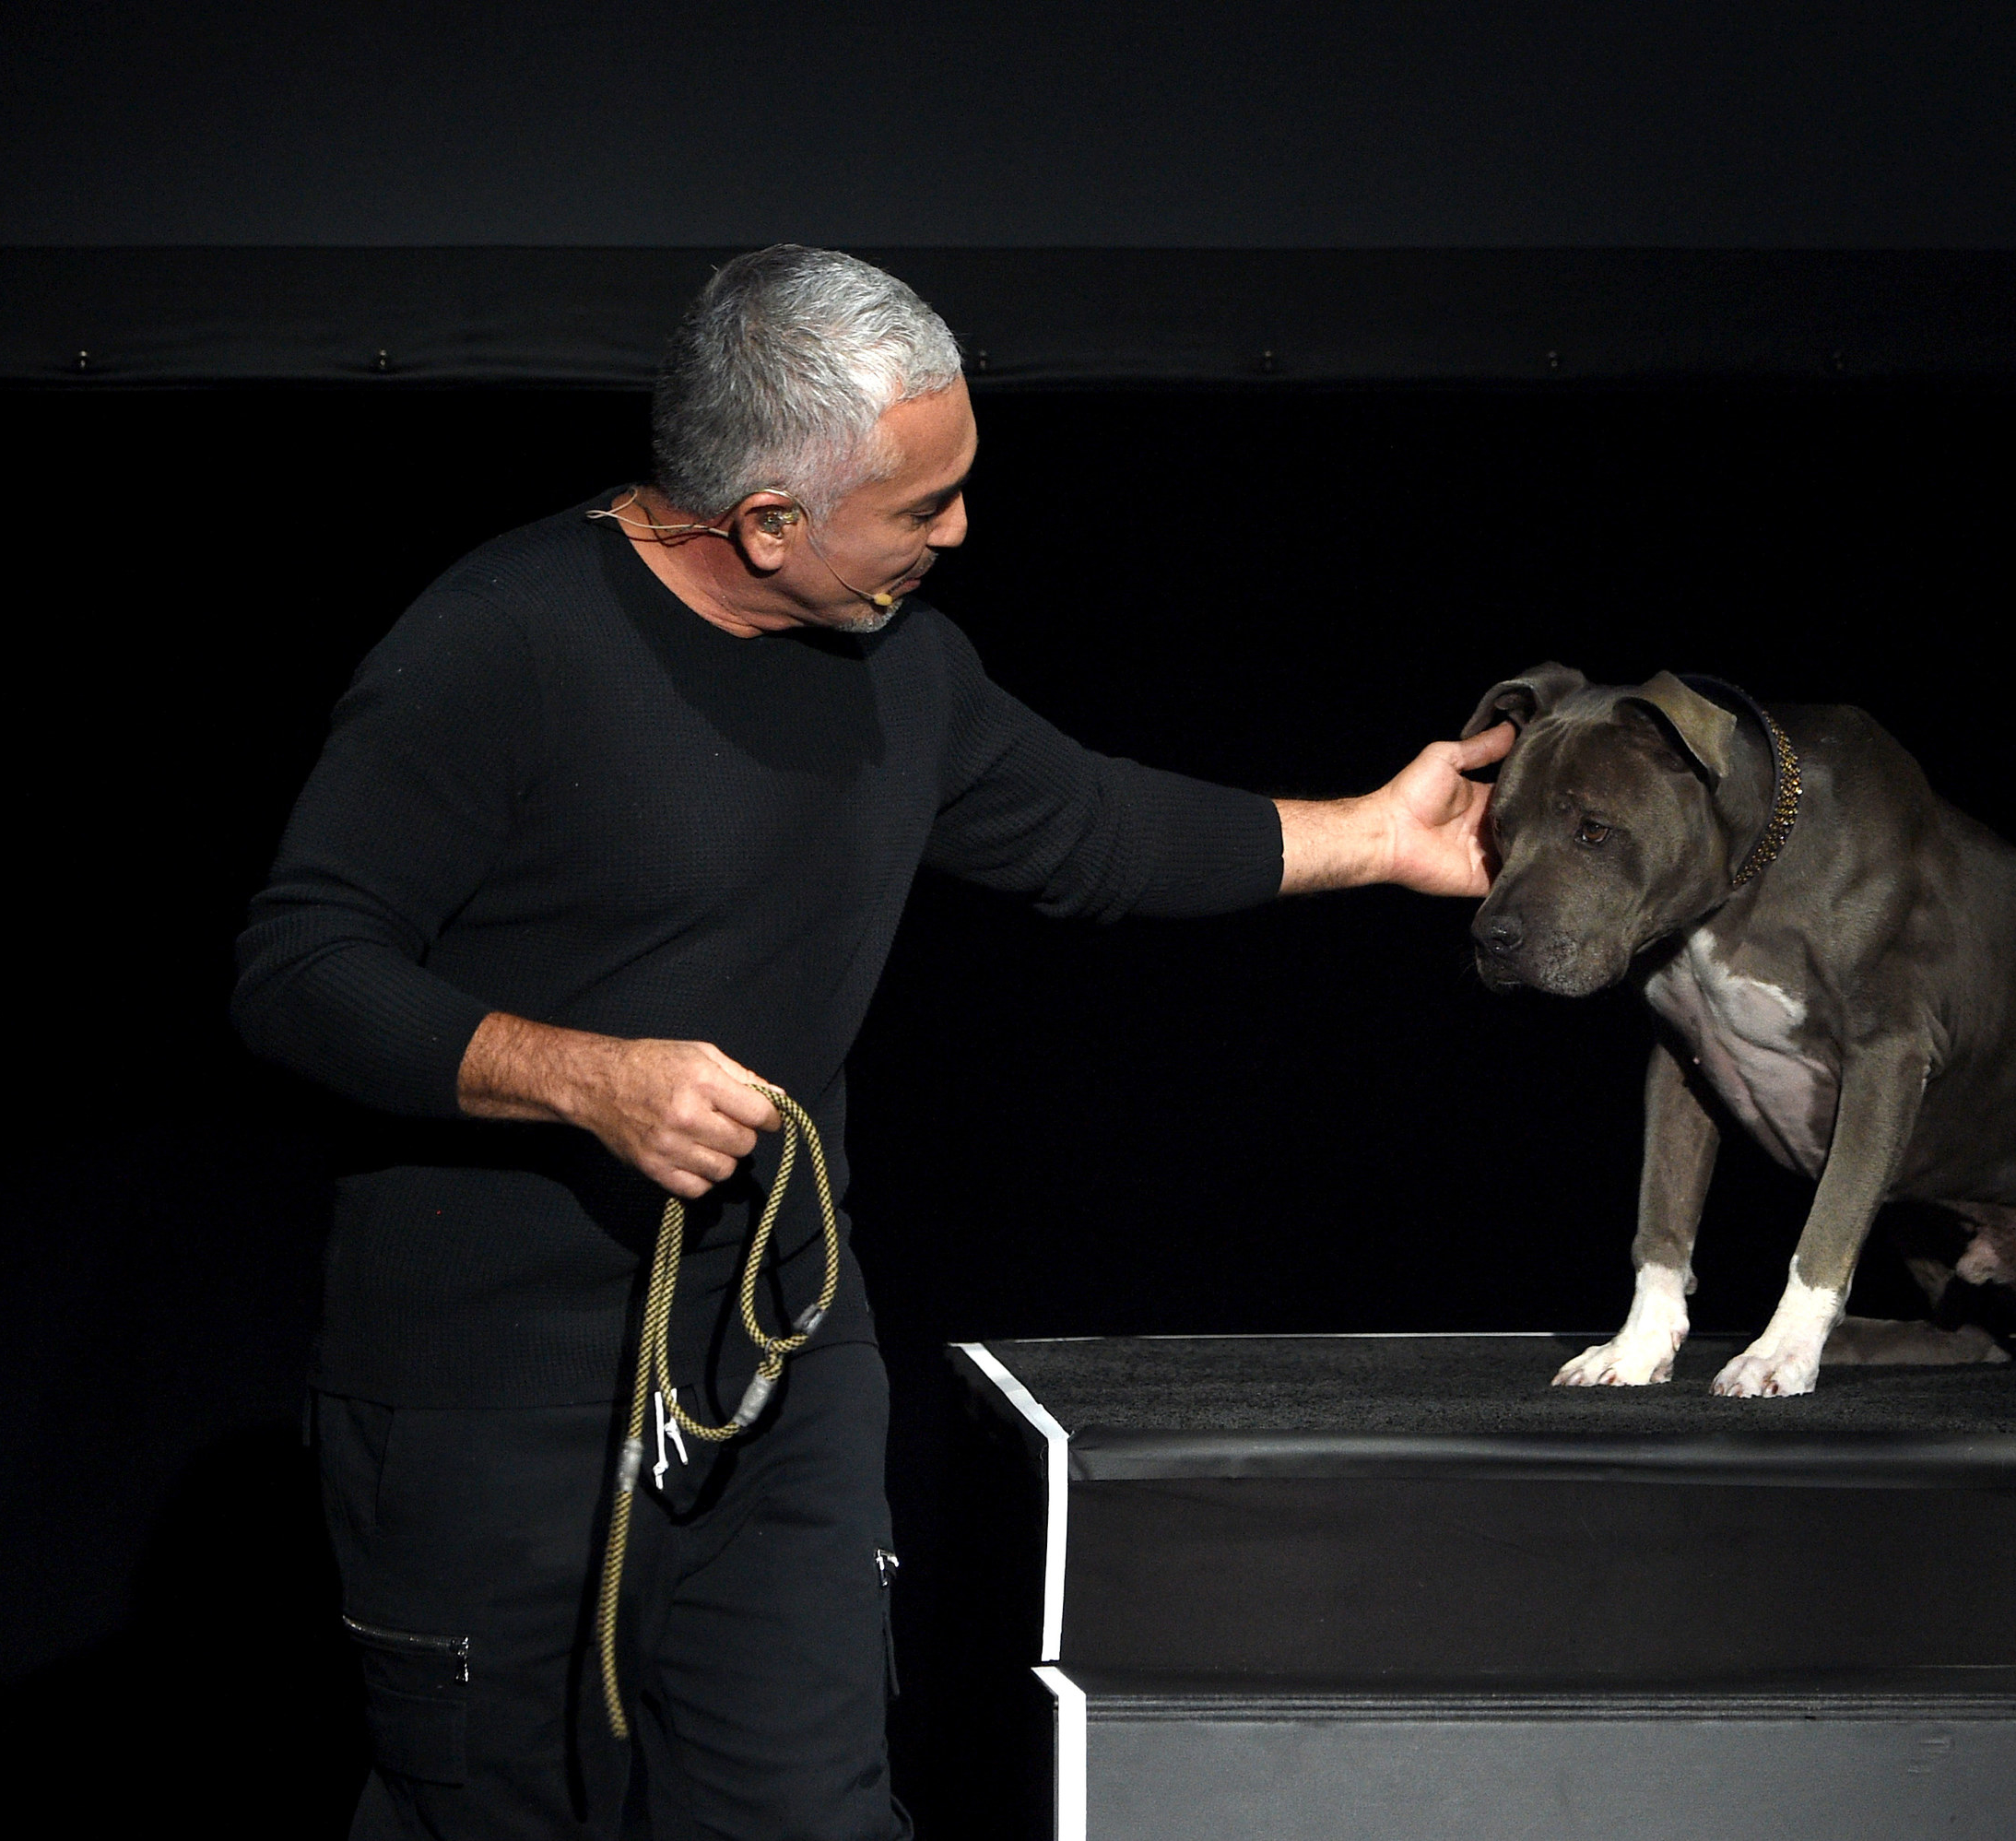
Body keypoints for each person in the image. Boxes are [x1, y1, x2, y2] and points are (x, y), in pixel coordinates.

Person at [230, 244, 1511, 1839]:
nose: (960, 530)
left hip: (776, 1357)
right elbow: (298, 967)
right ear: (769, 521)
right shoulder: (500, 642)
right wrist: (588, 1076)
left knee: (811, 1813)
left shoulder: (906, 667)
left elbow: (1094, 828)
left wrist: (1377, 835)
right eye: (924, 504)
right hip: (490, 1396)